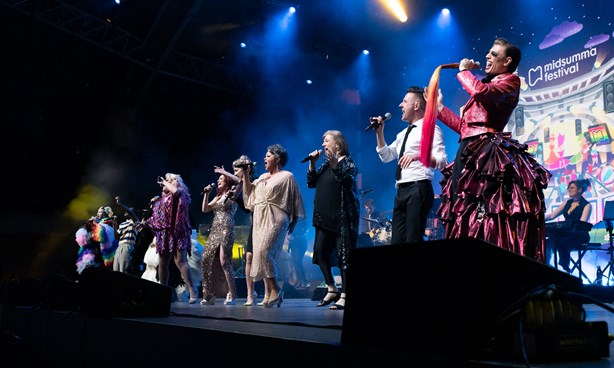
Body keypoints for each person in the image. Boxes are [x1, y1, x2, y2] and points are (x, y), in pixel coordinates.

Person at [430, 37, 551, 262]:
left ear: (507, 61)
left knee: (485, 209)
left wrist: (464, 72)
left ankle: (490, 260)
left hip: (487, 152)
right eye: (489, 52)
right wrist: (439, 109)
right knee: (462, 205)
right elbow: (466, 127)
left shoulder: (511, 81)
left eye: (493, 54)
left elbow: (480, 92)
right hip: (468, 149)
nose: (487, 57)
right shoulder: (489, 85)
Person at [368, 86, 448, 244]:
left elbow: (442, 161)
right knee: (397, 242)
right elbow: (386, 155)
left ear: (417, 106)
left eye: (405, 101)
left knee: (413, 240)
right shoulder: (402, 134)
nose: (400, 105)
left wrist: (418, 156)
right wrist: (379, 133)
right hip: (401, 190)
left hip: (418, 188)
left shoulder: (431, 129)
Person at [241, 144, 306, 308]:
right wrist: (246, 175)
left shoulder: (287, 176)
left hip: (277, 218)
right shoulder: (262, 177)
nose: (264, 158)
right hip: (260, 220)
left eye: (268, 155)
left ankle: (276, 290)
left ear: (277, 158)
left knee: (265, 252)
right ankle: (271, 293)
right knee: (261, 255)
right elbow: (249, 195)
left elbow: (296, 200)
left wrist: (294, 222)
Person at [305, 130, 360, 310]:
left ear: (337, 144)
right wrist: (312, 163)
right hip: (323, 216)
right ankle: (331, 287)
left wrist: (336, 164)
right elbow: (312, 182)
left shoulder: (348, 162)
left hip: (341, 216)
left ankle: (345, 293)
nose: (323, 144)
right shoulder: (325, 165)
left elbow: (348, 181)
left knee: (344, 255)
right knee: (319, 251)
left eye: (326, 141)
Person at [139, 173, 198, 304]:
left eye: (171, 180)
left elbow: (176, 192)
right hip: (164, 234)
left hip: (178, 232)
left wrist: (165, 182)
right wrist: (144, 223)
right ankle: (163, 291)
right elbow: (156, 218)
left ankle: (192, 290)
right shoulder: (161, 200)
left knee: (180, 261)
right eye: (167, 181)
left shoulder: (180, 194)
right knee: (163, 263)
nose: (166, 183)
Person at [199, 168, 240, 305]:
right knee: (205, 259)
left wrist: (224, 172)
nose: (218, 181)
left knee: (224, 261)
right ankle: (209, 294)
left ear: (227, 181)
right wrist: (207, 194)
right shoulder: (217, 197)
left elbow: (240, 181)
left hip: (227, 228)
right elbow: (205, 209)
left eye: (221, 179)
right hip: (215, 229)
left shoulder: (232, 192)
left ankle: (232, 293)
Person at [544, 179, 592, 272]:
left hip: (579, 236)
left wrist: (567, 228)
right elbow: (552, 215)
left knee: (563, 242)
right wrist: (538, 218)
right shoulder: (567, 202)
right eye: (568, 188)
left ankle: (565, 268)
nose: (569, 190)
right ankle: (546, 266)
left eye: (572, 188)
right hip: (565, 234)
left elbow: (581, 224)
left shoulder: (587, 205)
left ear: (580, 190)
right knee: (547, 243)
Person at [231, 155, 259, 306]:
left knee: (262, 258)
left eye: (236, 170)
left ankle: (270, 292)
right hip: (255, 223)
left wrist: (223, 173)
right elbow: (248, 209)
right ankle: (250, 294)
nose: (235, 173)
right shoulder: (243, 184)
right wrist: (236, 199)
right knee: (248, 257)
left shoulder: (256, 181)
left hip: (263, 222)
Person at [113, 197, 140, 274]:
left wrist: (121, 205)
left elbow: (131, 213)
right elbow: (116, 237)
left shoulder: (135, 222)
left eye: (129, 210)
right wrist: (114, 225)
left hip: (127, 246)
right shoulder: (122, 224)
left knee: (123, 270)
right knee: (116, 270)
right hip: (119, 247)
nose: (126, 211)